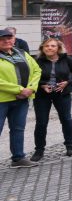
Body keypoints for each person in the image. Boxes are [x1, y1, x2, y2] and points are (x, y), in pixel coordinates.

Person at [31, 38, 72, 160]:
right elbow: (31, 77)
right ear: (42, 48)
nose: (50, 48)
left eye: (53, 46)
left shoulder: (66, 59)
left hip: (62, 93)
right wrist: (42, 85)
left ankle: (70, 145)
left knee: (66, 119)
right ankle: (39, 150)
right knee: (41, 122)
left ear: (58, 48)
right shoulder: (37, 61)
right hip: (42, 94)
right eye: (47, 46)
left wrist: (67, 82)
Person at [0, 28, 41, 167]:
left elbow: (37, 70)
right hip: (2, 100)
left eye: (9, 38)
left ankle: (18, 158)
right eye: (2, 39)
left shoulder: (22, 53)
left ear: (14, 39)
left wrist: (31, 88)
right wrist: (19, 89)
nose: (6, 41)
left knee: (18, 129)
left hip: (21, 100)